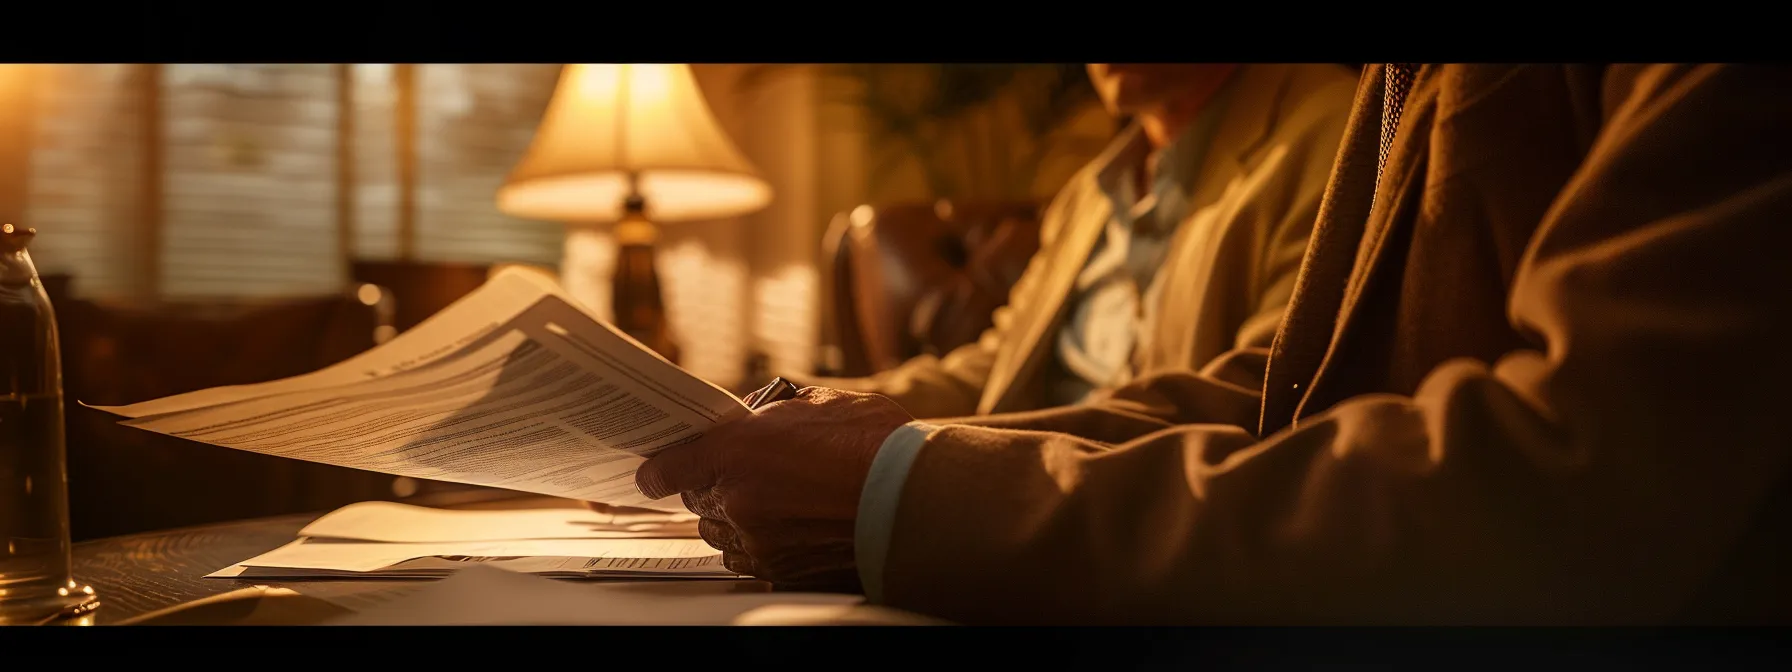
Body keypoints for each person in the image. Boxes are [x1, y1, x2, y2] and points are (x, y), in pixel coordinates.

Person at [635, 64, 1792, 624]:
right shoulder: (1098, 185)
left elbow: (1573, 488)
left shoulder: (1308, 121)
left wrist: (902, 485)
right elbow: (1278, 388)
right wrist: (855, 435)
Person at [806, 63, 1357, 419]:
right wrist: (821, 403)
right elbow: (1000, 361)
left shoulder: (1336, 133)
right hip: (1008, 489)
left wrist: (957, 456)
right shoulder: (1086, 198)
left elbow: (1266, 393)